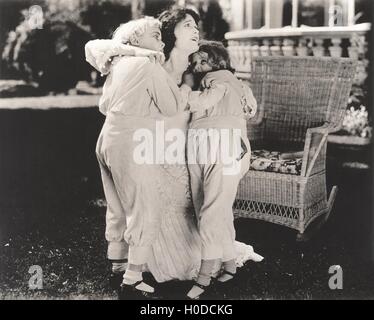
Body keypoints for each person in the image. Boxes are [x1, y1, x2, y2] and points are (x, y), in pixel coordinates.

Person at [85, 6, 263, 299]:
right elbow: (97, 48)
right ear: (170, 34)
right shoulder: (151, 62)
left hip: (201, 151)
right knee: (142, 204)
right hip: (149, 149)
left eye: (197, 26)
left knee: (196, 201)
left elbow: (229, 91)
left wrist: (244, 98)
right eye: (188, 25)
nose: (196, 31)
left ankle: (135, 264)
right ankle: (132, 265)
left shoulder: (199, 68)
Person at [183, 41, 257, 299]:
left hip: (221, 145)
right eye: (194, 62)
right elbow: (251, 109)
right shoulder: (227, 82)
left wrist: (184, 90)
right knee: (213, 207)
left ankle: (203, 278)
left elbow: (203, 102)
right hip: (206, 143)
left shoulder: (221, 79)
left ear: (219, 61)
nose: (197, 66)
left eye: (203, 61)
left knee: (211, 210)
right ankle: (228, 263)